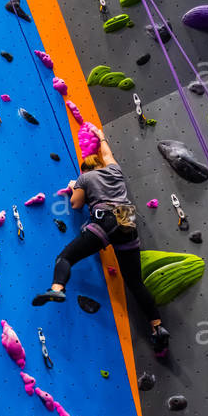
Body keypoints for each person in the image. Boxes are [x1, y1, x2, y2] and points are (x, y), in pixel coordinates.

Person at [31, 129, 170, 355]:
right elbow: (107, 153)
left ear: (85, 169)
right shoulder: (114, 171)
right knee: (135, 282)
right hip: (127, 220)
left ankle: (57, 288)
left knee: (65, 257)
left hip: (105, 218)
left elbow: (76, 205)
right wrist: (100, 136)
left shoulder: (84, 177)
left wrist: (74, 186)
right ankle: (157, 327)